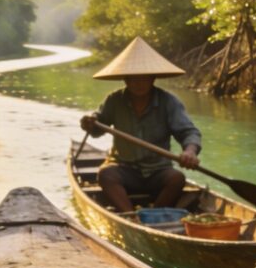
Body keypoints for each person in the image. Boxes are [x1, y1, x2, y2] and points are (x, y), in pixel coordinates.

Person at [80, 37, 202, 214]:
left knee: (177, 178)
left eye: (144, 78)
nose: (139, 83)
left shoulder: (168, 102)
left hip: (158, 171)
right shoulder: (114, 100)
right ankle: (130, 216)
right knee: (106, 175)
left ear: (153, 78)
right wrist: (90, 123)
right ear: (125, 80)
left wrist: (190, 151)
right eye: (133, 79)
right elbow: (98, 127)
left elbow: (189, 132)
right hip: (124, 169)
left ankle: (152, 215)